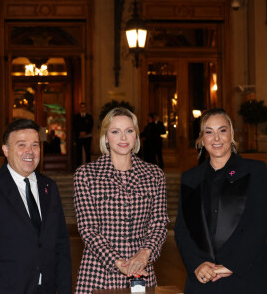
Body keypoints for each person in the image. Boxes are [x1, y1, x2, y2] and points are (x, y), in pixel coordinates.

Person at [0, 119, 72, 294]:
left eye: (35, 145)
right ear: (6, 150)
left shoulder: (49, 187)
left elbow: (61, 245)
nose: (29, 151)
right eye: (21, 145)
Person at [73, 107, 169, 293]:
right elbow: (88, 229)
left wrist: (144, 253)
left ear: (136, 136)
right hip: (98, 274)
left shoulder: (154, 174)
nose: (123, 138)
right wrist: (118, 262)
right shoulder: (86, 175)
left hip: (142, 272)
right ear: (106, 137)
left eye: (129, 131)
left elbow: (159, 223)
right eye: (115, 132)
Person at [174, 108, 267, 294]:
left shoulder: (256, 171)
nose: (216, 138)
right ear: (201, 139)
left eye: (222, 130)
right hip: (203, 280)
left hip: (245, 278)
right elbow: (183, 229)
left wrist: (232, 265)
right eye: (209, 132)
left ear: (231, 134)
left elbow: (259, 224)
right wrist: (197, 264)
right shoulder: (190, 178)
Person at [73, 102, 94, 167]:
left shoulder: (89, 117)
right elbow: (74, 126)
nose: (82, 108)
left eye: (84, 107)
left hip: (87, 137)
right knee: (78, 153)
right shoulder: (76, 117)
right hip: (79, 137)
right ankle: (78, 167)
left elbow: (91, 126)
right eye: (81, 107)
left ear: (85, 108)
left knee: (87, 152)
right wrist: (80, 133)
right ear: (80, 108)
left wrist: (85, 132)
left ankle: (88, 167)